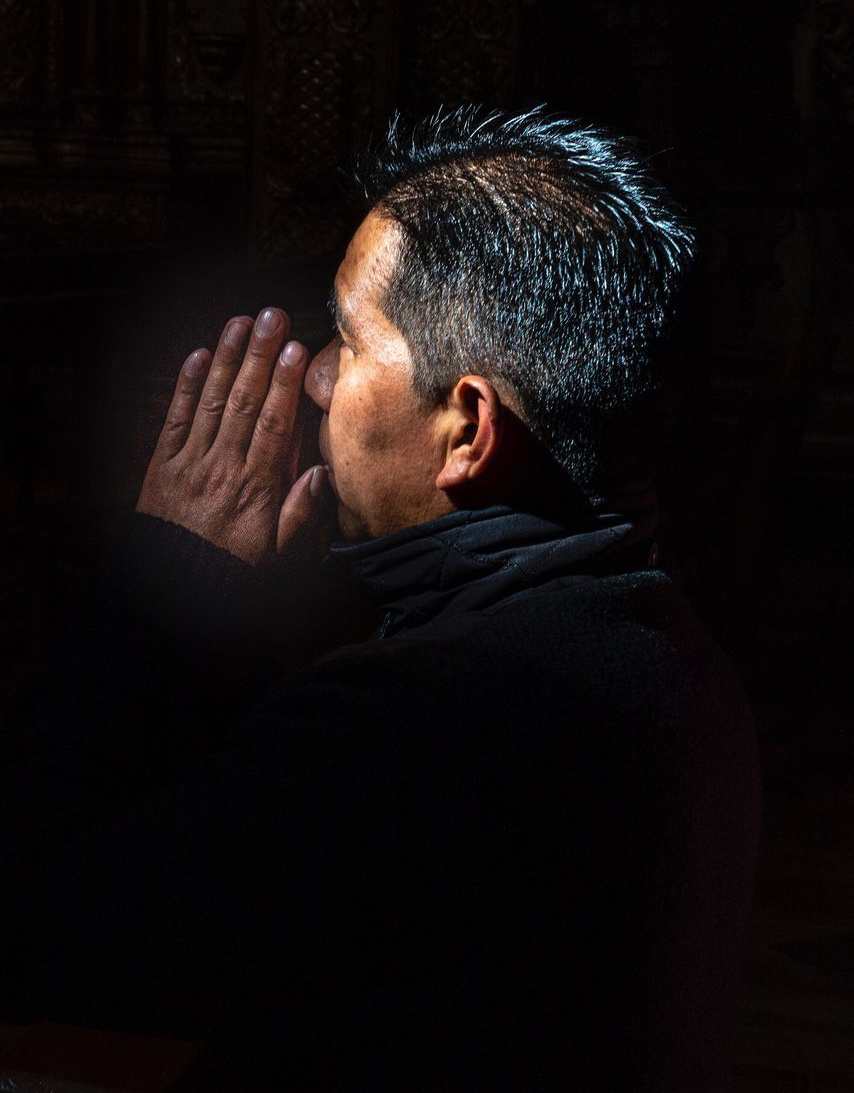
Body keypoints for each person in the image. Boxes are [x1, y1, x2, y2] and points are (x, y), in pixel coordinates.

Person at [0, 107, 760, 1090]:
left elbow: (31, 928)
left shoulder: (430, 714)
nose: (314, 375)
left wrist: (166, 582)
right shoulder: (649, 641)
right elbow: (247, 869)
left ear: (465, 426)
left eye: (350, 341)